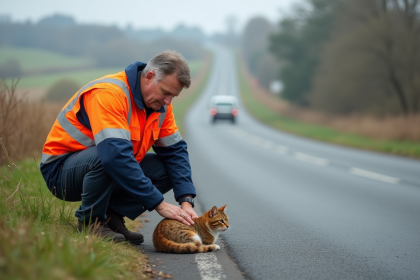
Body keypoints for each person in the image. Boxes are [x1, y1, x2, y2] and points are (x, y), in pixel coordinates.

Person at [40, 50, 198, 244]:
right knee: (107, 156)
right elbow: (114, 156)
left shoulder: (161, 107)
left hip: (104, 165)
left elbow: (175, 152)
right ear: (149, 77)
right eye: (166, 93)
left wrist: (186, 200)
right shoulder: (108, 94)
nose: (168, 102)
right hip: (61, 171)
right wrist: (158, 203)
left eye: (173, 96)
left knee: (165, 169)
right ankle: (91, 221)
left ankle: (110, 217)